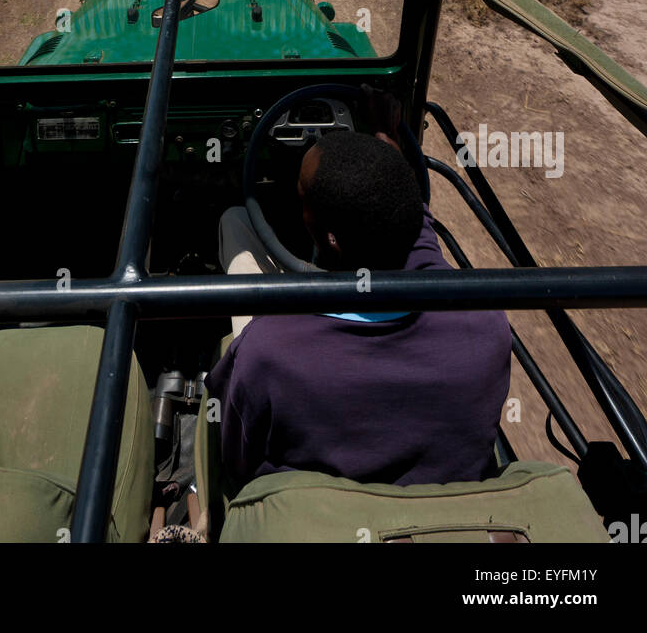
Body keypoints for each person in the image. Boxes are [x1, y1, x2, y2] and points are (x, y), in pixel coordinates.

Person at [205, 90, 512, 490]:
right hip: (439, 502)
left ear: (326, 236)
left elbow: (239, 462)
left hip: (315, 513)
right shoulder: (485, 325)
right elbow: (412, 215)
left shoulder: (268, 352)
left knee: (235, 220)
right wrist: (385, 135)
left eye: (301, 197)